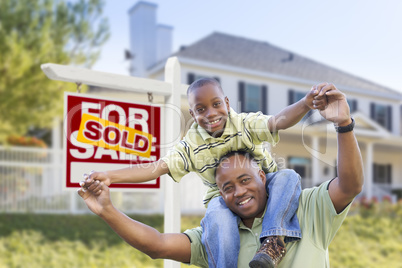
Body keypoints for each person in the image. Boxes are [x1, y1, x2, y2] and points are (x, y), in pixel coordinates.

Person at [78, 83, 364, 267]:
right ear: (192, 113)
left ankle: (274, 239)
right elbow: (156, 170)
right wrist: (110, 180)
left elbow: (279, 121)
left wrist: (310, 106)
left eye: (244, 181)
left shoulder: (306, 209)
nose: (211, 113)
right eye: (200, 109)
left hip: (276, 189)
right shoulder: (193, 149)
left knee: (288, 176)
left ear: (227, 102)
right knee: (215, 212)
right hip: (218, 205)